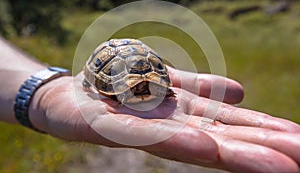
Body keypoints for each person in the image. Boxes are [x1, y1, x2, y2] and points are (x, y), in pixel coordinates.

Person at [0, 36, 299, 173]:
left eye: (150, 86)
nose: (145, 89)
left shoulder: (159, 84)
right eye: (141, 87)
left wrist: (163, 88)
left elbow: (161, 85)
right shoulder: (113, 86)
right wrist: (45, 94)